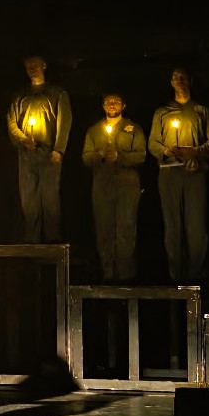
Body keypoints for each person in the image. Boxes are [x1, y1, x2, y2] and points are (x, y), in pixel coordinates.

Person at [148, 67, 209, 285]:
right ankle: (175, 278)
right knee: (172, 225)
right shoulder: (162, 112)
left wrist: (196, 152)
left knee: (196, 225)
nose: (179, 81)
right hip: (169, 173)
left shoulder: (202, 111)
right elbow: (153, 143)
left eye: (183, 77)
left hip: (194, 172)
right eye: (175, 78)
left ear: (190, 81)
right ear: (171, 82)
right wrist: (167, 151)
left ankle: (196, 278)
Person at [7, 54, 72, 243]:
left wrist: (59, 149)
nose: (32, 68)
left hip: (49, 152)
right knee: (29, 200)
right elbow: (11, 122)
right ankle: (32, 242)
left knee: (50, 199)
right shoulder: (20, 95)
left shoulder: (57, 93)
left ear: (44, 65)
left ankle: (52, 243)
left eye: (35, 64)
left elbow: (64, 122)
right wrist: (23, 140)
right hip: (27, 153)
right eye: (29, 65)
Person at [82, 92, 147, 282]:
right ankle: (108, 276)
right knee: (104, 230)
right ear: (103, 106)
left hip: (127, 185)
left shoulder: (133, 129)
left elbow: (141, 155)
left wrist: (120, 157)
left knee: (126, 229)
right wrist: (100, 154)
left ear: (123, 105)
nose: (111, 104)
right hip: (102, 186)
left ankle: (126, 278)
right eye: (107, 102)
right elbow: (86, 157)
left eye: (116, 101)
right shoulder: (94, 131)